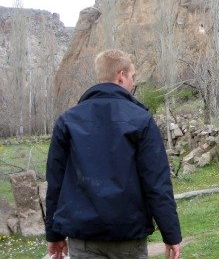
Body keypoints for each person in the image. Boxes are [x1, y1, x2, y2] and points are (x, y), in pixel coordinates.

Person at [45, 49, 181, 259]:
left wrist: (54, 234)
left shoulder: (67, 120)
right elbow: (156, 183)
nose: (134, 82)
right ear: (121, 75)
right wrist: (171, 234)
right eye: (133, 76)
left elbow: (55, 182)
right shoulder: (141, 120)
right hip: (128, 237)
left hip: (83, 238)